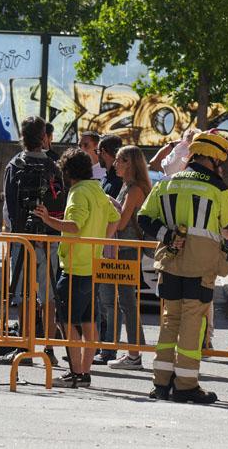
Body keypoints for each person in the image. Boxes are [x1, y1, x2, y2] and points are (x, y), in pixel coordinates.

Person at [138, 132, 228, 404]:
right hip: (201, 267)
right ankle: (185, 385)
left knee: (169, 321)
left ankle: (160, 384)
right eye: (221, 161)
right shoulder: (218, 189)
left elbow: (144, 217)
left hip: (170, 262)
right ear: (214, 158)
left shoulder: (168, 183)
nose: (222, 166)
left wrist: (168, 235)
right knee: (192, 325)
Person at [31, 148, 121, 388]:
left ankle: (76, 372)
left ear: (68, 172)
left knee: (66, 321)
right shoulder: (96, 189)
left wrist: (47, 219)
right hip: (92, 264)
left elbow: (74, 225)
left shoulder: (79, 192)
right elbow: (115, 217)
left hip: (75, 267)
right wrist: (101, 241)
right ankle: (84, 373)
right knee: (89, 322)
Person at [2, 116, 63, 365]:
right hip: (49, 238)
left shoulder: (14, 165)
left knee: (24, 296)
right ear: (43, 137)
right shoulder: (53, 166)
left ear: (22, 136)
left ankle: (24, 347)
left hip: (23, 238)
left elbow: (9, 205)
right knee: (48, 297)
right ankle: (48, 348)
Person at [101, 145, 151, 370]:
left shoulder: (135, 190)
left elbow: (121, 223)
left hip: (128, 249)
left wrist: (108, 204)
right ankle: (134, 351)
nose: (115, 164)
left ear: (129, 163)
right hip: (122, 248)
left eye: (119, 160)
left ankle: (134, 355)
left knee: (128, 303)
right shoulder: (127, 186)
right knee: (124, 302)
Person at [93, 133, 125, 365]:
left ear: (105, 153)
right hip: (103, 245)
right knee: (102, 301)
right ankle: (101, 345)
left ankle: (109, 348)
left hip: (112, 247)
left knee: (110, 301)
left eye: (98, 152)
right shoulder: (108, 179)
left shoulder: (118, 182)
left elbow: (118, 214)